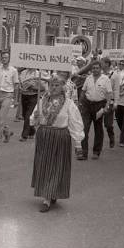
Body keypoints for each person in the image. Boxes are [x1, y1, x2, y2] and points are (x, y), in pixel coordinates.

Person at [30, 73, 84, 213]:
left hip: (60, 137)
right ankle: (48, 195)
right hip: (44, 136)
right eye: (51, 85)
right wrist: (35, 118)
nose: (53, 88)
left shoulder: (68, 103)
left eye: (57, 85)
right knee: (45, 166)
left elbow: (75, 122)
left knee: (56, 167)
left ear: (62, 87)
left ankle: (50, 195)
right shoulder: (42, 100)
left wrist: (78, 143)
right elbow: (35, 119)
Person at [78, 61, 113, 160]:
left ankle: (96, 152)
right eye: (93, 68)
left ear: (100, 69)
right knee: (84, 128)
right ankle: (83, 153)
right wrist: (80, 103)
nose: (95, 70)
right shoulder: (88, 78)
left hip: (99, 105)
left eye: (97, 68)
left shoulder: (105, 79)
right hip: (87, 105)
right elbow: (83, 91)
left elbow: (109, 94)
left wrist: (106, 106)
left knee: (98, 129)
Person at [0, 51, 19, 143]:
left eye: (6, 57)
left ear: (9, 59)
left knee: (1, 117)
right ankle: (7, 132)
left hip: (8, 94)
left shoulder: (13, 70)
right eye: (2, 57)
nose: (4, 59)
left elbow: (16, 85)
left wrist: (15, 99)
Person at [18, 67, 49, 142]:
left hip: (34, 96)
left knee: (28, 115)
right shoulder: (23, 72)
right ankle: (32, 131)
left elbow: (43, 88)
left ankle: (24, 135)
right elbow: (20, 84)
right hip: (24, 95)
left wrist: (33, 86)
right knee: (25, 115)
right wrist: (21, 87)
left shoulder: (39, 74)